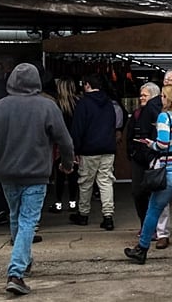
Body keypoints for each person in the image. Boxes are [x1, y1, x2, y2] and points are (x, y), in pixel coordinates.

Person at [0, 63, 74, 296]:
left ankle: (24, 260)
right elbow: (65, 140)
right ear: (37, 82)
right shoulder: (47, 106)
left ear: (11, 81)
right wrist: (66, 164)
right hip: (36, 175)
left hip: (7, 175)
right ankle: (16, 273)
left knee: (16, 217)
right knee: (28, 222)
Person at [124, 84, 172, 264]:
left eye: (163, 97)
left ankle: (142, 249)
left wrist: (151, 144)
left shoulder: (164, 117)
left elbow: (163, 144)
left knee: (154, 209)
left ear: (168, 99)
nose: (161, 99)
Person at [69, 74, 117, 231]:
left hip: (89, 149)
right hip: (108, 148)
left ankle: (83, 214)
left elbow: (77, 129)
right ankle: (108, 216)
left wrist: (75, 149)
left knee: (85, 182)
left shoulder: (84, 103)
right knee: (106, 181)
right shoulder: (109, 103)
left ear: (87, 85)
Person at [126, 81, 161, 232]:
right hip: (138, 157)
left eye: (144, 95)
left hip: (154, 156)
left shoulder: (160, 115)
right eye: (140, 95)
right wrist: (132, 151)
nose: (141, 98)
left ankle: (155, 228)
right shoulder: (136, 114)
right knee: (137, 192)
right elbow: (130, 134)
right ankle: (144, 224)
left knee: (155, 193)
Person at [48, 77, 80, 213]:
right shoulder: (78, 104)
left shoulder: (56, 105)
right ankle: (73, 202)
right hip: (75, 143)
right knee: (74, 174)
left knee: (59, 175)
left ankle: (58, 203)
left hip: (59, 143)